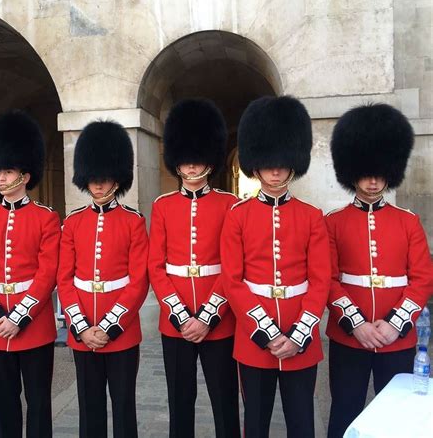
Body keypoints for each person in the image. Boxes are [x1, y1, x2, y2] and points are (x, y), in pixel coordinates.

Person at [221, 96, 331, 438]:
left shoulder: (311, 216)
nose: (276, 169)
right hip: (255, 339)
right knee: (255, 425)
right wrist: (267, 332)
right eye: (268, 162)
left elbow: (320, 279)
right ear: (255, 165)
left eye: (283, 161)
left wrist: (300, 333)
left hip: (302, 336)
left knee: (302, 424)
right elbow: (232, 280)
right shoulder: (238, 216)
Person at [326, 103, 433, 438]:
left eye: (379, 172)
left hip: (396, 340)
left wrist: (394, 325)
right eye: (365, 172)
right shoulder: (333, 223)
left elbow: (422, 279)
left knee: (397, 420)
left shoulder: (408, 221)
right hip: (349, 337)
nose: (372, 180)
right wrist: (357, 324)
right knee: (345, 410)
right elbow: (327, 280)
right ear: (351, 171)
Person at [148, 99, 240, 438]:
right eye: (185, 160)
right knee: (180, 403)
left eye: (196, 159)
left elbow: (232, 268)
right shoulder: (163, 206)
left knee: (225, 402)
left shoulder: (229, 205)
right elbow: (156, 267)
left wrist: (207, 316)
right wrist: (181, 314)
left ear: (209, 160)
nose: (190, 167)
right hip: (176, 323)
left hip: (219, 318)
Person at [0, 110, 61, 438]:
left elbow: (48, 273)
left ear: (25, 175)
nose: (1, 179)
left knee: (38, 406)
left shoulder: (46, 218)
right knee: (2, 407)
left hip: (34, 326)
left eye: (8, 172)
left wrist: (19, 317)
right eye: (0, 172)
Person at [57, 120, 149, 438]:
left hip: (120, 332)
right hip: (83, 330)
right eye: (92, 178)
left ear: (117, 178)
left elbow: (138, 281)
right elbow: (64, 279)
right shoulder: (73, 223)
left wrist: (110, 326)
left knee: (124, 408)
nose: (97, 184)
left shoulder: (134, 222)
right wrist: (82, 326)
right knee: (89, 409)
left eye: (104, 177)